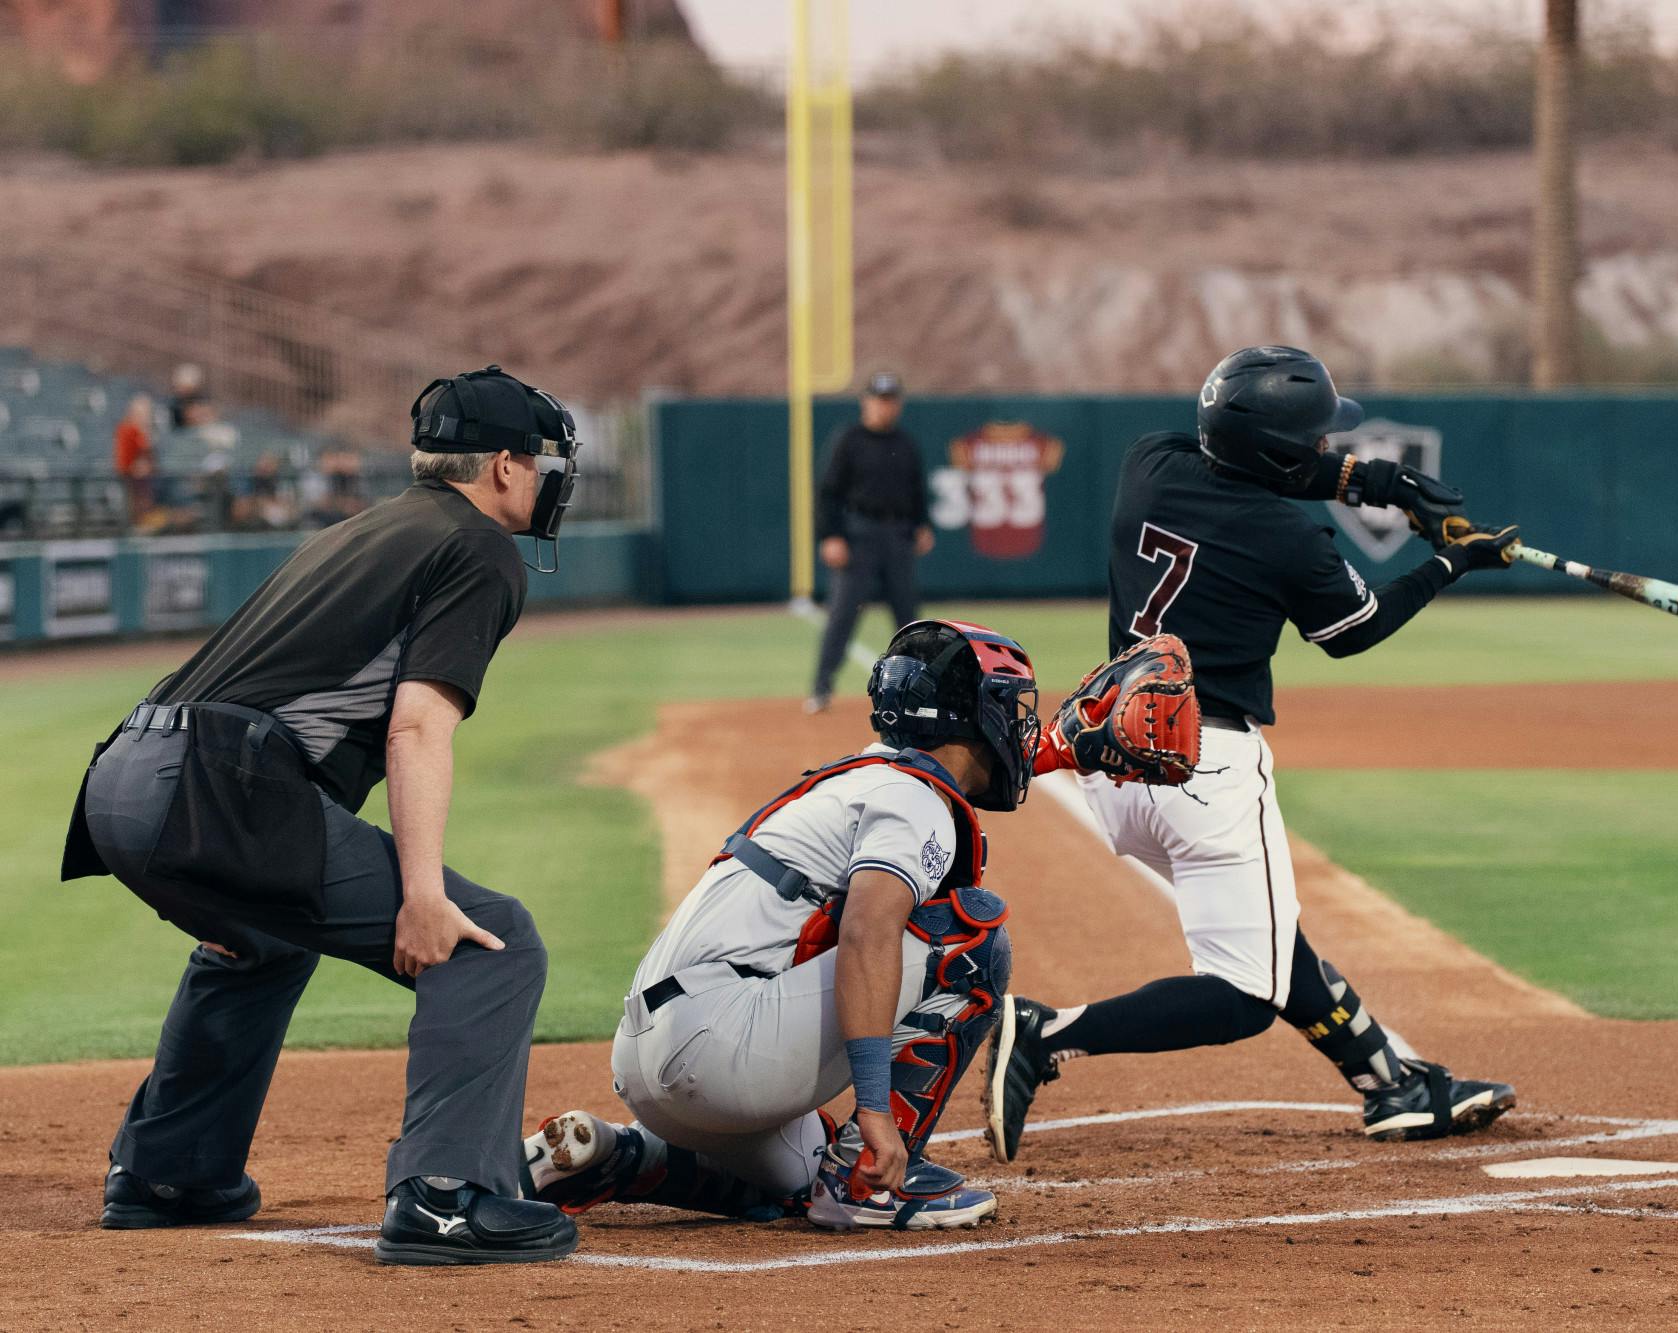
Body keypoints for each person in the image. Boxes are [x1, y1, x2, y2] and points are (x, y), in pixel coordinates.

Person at [59, 365, 583, 1265]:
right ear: (502, 466)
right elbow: (417, 723)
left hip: (122, 779)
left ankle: (169, 1170)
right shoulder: (480, 550)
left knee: (261, 939)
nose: (542, 480)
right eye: (536, 464)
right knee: (492, 944)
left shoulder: (366, 527)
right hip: (214, 789)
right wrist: (421, 892)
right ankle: (446, 1195)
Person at [984, 345, 1522, 1164]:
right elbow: (1358, 628)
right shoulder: (1286, 538)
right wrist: (1450, 561)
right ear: (1279, 451)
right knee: (1244, 994)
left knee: (1272, 941)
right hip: (1209, 771)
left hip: (1115, 763)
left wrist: (1366, 480)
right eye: (1311, 440)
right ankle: (1049, 1033)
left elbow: (1266, 469)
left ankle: (1394, 1087)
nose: (1319, 451)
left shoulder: (1148, 464)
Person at [523, 620, 1037, 1231]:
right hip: (722, 1048)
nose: (1020, 728)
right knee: (970, 940)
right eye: (1009, 708)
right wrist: (872, 1110)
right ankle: (867, 1188)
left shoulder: (865, 781)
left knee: (801, 1178)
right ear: (972, 716)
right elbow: (869, 935)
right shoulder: (916, 801)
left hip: (651, 1064)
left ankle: (624, 1155)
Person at [806, 371, 934, 714]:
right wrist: (830, 535)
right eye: (879, 400)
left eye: (890, 400)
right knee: (843, 615)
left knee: (909, 621)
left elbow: (917, 490)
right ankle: (821, 687)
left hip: (898, 536)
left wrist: (922, 524)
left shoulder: (905, 443)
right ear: (866, 402)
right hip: (859, 535)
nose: (884, 407)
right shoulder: (849, 440)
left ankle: (920, 694)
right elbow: (827, 493)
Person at [113, 394, 155, 528]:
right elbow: (124, 460)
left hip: (145, 481)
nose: (144, 416)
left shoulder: (144, 430)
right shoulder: (127, 430)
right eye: (141, 412)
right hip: (130, 479)